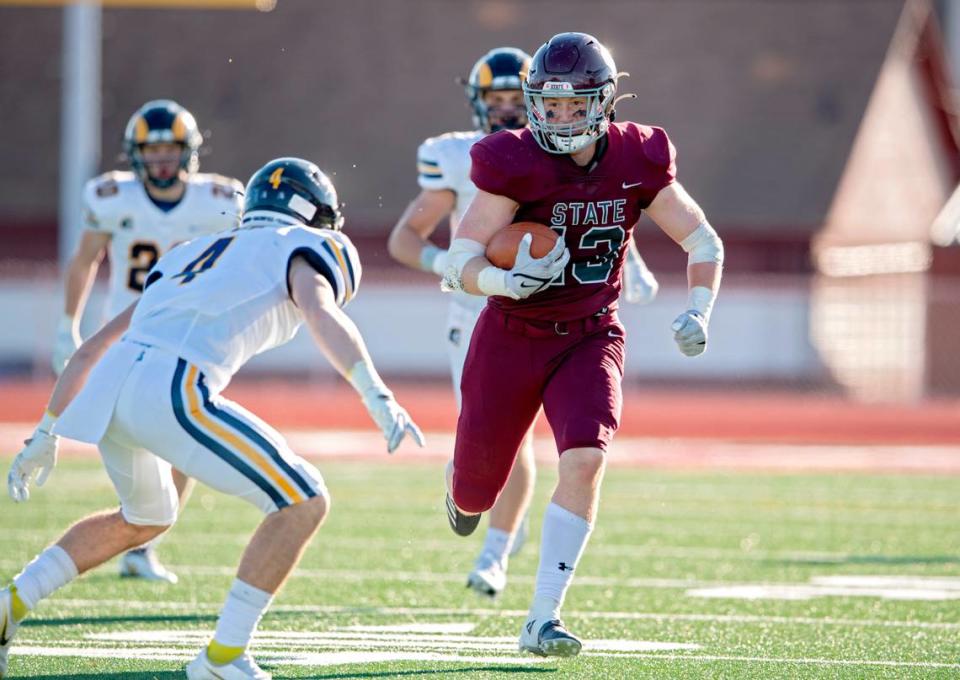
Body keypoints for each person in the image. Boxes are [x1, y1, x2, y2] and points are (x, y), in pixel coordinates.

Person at [2, 157, 424, 680]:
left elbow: (92, 347)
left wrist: (44, 430)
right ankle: (223, 657)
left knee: (145, 517)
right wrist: (374, 391)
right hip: (173, 384)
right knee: (302, 500)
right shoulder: (306, 245)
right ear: (313, 212)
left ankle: (10, 601)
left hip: (112, 386)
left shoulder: (189, 251)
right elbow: (319, 310)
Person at [440, 32, 724, 658]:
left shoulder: (639, 157)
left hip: (591, 335)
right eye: (551, 104)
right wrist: (501, 279)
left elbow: (703, 241)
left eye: (576, 105)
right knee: (474, 492)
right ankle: (462, 491)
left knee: (587, 458)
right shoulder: (512, 160)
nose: (561, 117)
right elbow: (457, 258)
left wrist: (700, 308)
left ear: (605, 101)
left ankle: (542, 618)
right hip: (511, 335)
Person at [388, 47, 659, 599]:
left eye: (518, 99)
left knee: (532, 445)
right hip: (479, 310)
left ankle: (495, 555)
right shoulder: (465, 155)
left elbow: (602, 209)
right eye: (497, 100)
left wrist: (632, 264)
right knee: (488, 442)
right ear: (478, 103)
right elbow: (403, 240)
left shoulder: (568, 143)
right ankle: (474, 507)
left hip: (563, 313)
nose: (508, 111)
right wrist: (462, 271)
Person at [52, 99, 244, 583]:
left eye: (170, 149)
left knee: (185, 440)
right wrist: (67, 324)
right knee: (140, 441)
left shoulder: (219, 200)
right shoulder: (112, 196)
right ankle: (138, 529)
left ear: (188, 153)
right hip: (129, 333)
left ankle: (145, 546)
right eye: (151, 150)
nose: (161, 160)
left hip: (188, 336)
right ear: (134, 155)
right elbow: (85, 261)